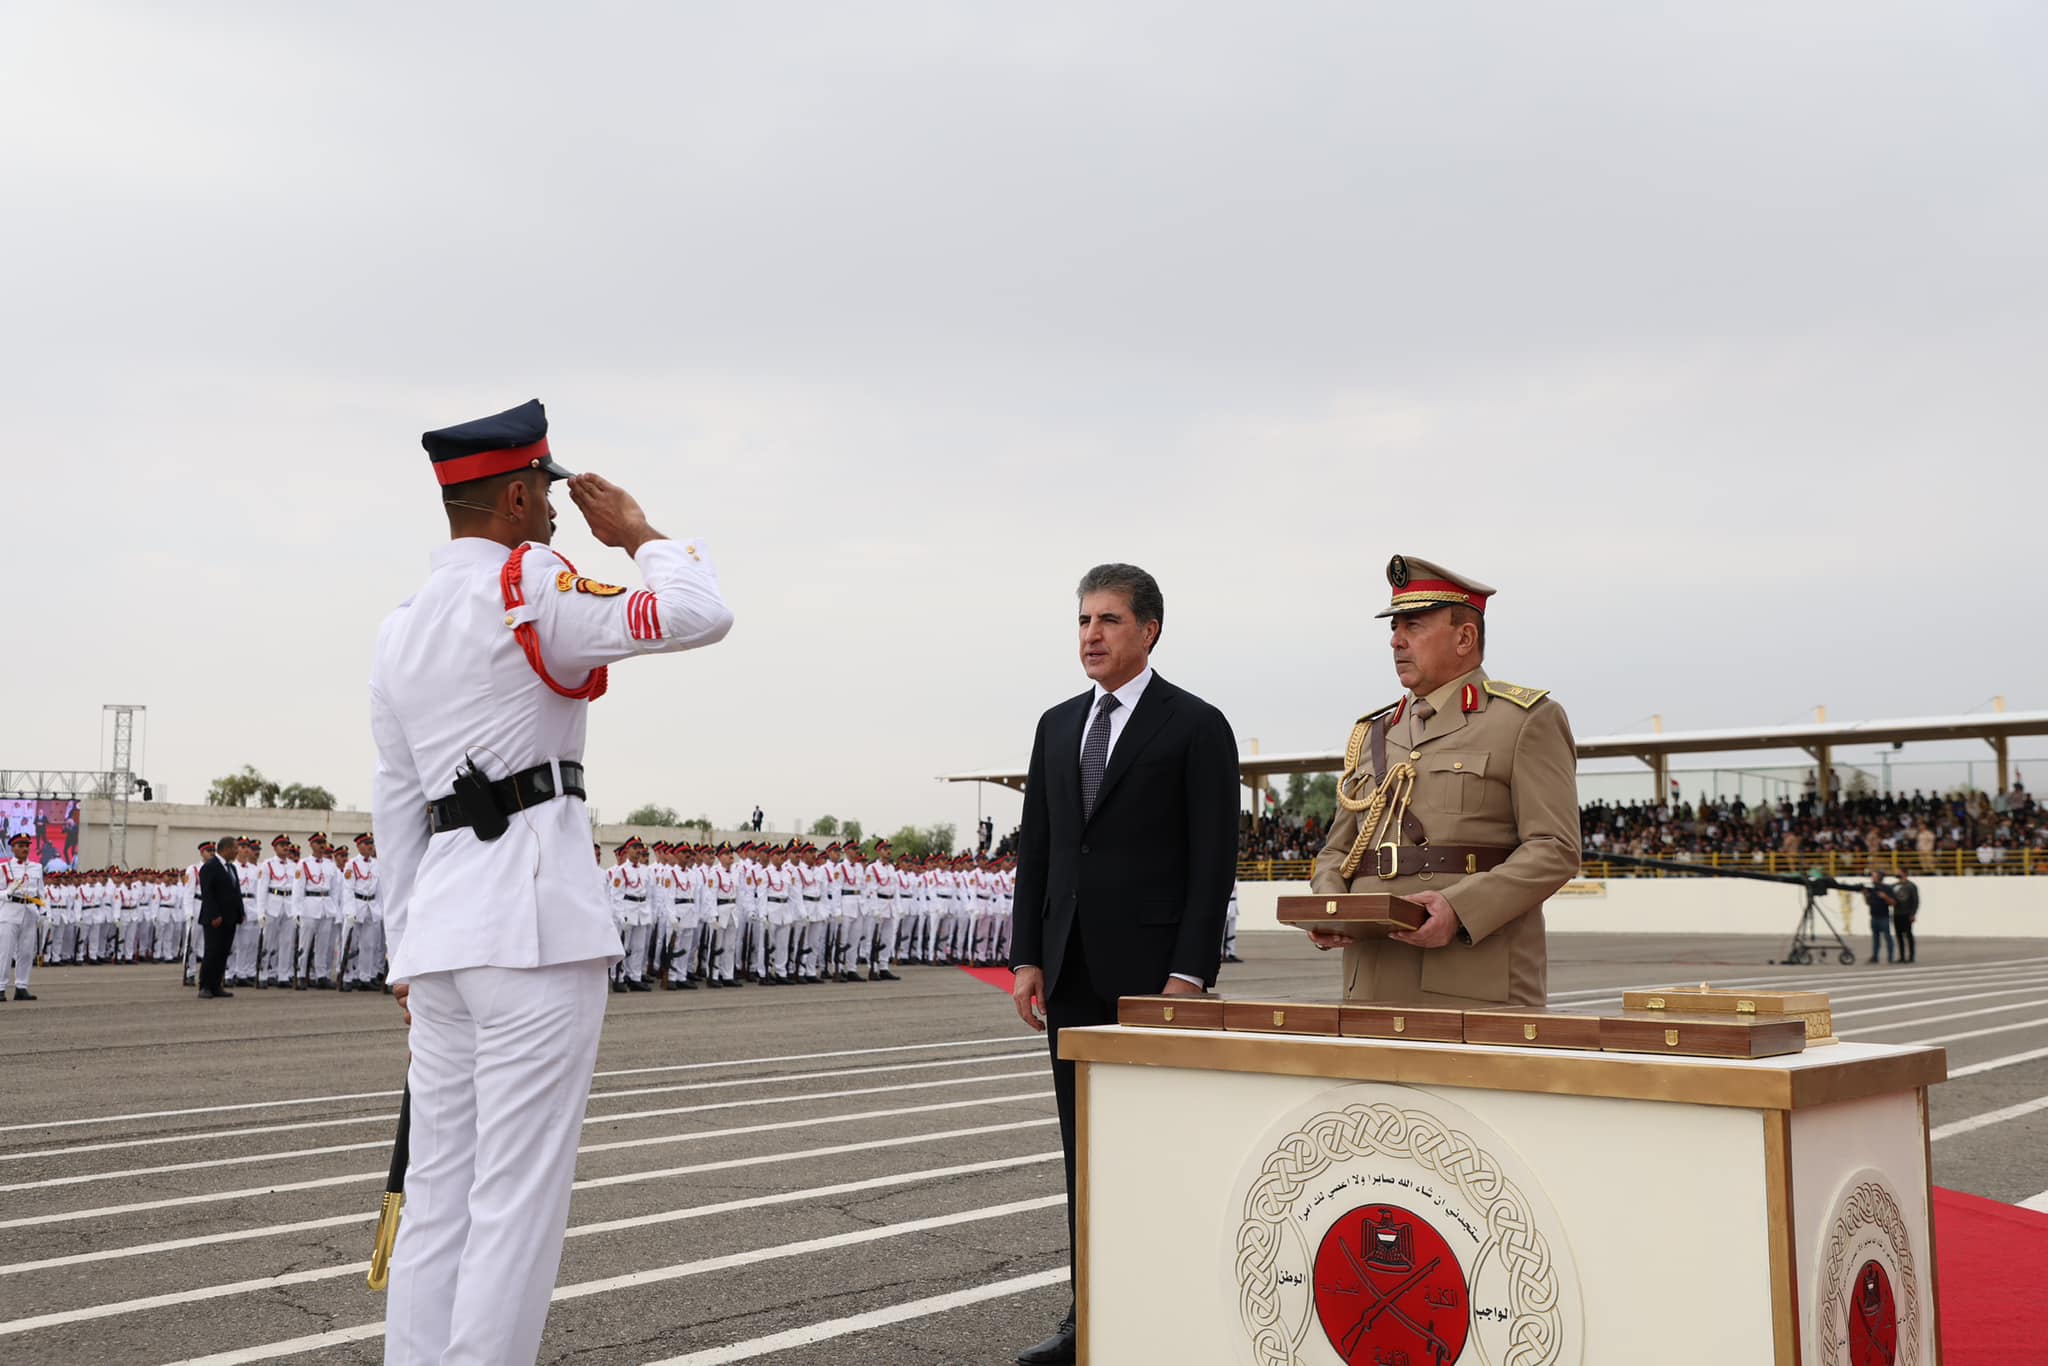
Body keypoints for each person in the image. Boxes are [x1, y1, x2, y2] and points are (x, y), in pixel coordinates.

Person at [372, 398, 733, 1365]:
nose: (564, 515)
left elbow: (396, 807)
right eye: (552, 494)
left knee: (440, 1194)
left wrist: (406, 952)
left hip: (443, 939)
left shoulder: (400, 628)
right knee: (515, 1205)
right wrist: (643, 535)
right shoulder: (530, 584)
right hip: (532, 929)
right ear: (521, 494)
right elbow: (702, 613)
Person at [1007, 562, 1239, 1366]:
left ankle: (1168, 1313)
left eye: (1108, 620)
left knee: (1157, 1148)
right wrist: (1027, 956)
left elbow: (1213, 862)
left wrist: (1189, 972)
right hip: (1068, 968)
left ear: (1149, 630)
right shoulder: (1055, 723)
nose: (1091, 636)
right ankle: (1090, 1319)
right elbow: (1037, 848)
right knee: (1084, 1151)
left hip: (1152, 977)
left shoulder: (1194, 724)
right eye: (1082, 621)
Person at [1306, 555, 1580, 1006]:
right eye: (1394, 629)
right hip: (1370, 979)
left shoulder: (1525, 721)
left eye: (1413, 626)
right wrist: (1331, 904)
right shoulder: (1377, 733)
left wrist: (1460, 907)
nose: (1396, 641)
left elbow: (1556, 849)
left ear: (1464, 637)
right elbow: (1338, 849)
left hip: (1472, 979)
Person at [195, 833, 245, 999]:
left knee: (223, 952)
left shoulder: (231, 868)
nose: (237, 851)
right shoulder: (210, 867)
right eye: (235, 848)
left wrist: (240, 912)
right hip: (215, 919)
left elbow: (235, 892)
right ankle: (205, 986)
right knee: (212, 952)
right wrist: (214, 915)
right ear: (226, 849)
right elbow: (208, 895)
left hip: (230, 917)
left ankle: (217, 985)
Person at [2, 831, 46, 1001]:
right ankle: (0, 987)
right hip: (10, 911)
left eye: (27, 845)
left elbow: (41, 892)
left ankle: (21, 986)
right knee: (5, 953)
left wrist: (43, 912)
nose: (24, 848)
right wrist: (8, 891)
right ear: (13, 848)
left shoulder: (37, 867)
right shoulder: (4, 868)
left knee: (26, 952)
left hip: (29, 911)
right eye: (20, 845)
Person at [1863, 872, 1896, 965]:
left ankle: (1890, 957)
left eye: (1873, 877)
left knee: (1887, 937)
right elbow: (1868, 903)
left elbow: (1893, 902)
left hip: (1883, 916)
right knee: (1875, 938)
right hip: (1874, 916)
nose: (1871, 879)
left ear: (1879, 878)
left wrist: (1885, 897)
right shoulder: (1871, 889)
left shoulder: (1887, 888)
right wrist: (1865, 895)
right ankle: (1875, 956)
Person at [1891, 870, 1920, 963]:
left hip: (1907, 913)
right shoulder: (1894, 886)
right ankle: (1902, 956)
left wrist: (1913, 914)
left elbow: (1915, 901)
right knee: (1899, 936)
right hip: (1897, 913)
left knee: (1908, 935)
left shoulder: (1911, 886)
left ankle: (1911, 956)